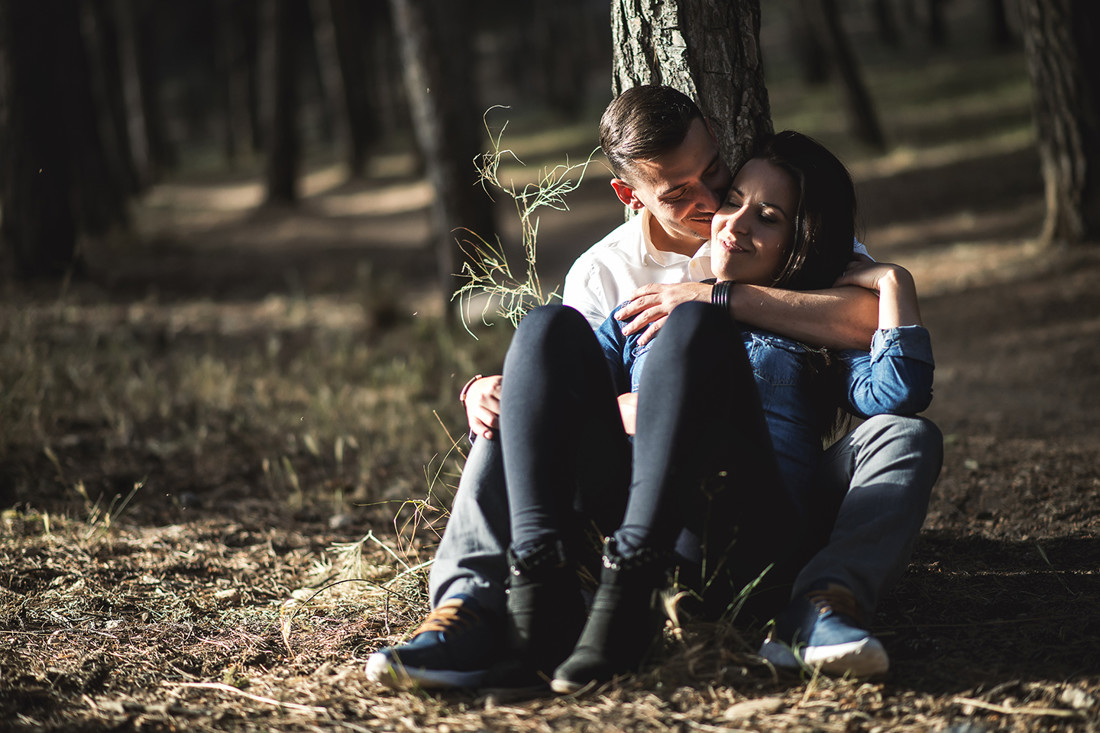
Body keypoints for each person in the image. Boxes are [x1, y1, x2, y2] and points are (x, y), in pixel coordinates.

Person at [366, 87, 942, 689]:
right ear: (631, 194)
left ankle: (821, 607)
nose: (718, 207)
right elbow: (563, 380)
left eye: (717, 175)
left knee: (904, 435)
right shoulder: (615, 284)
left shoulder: (801, 260)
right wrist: (489, 388)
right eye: (687, 193)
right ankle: (495, 604)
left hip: (760, 507)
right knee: (521, 380)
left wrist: (726, 299)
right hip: (658, 502)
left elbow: (882, 356)